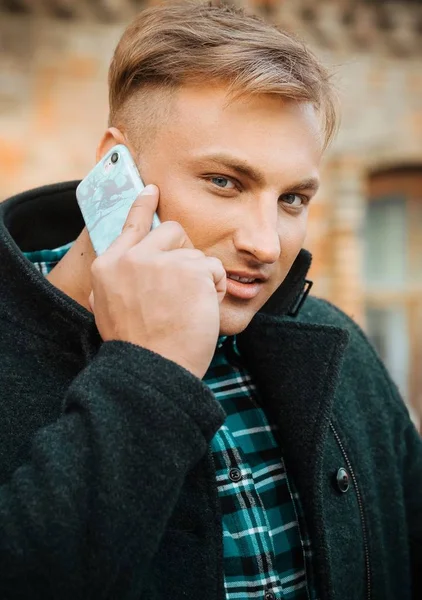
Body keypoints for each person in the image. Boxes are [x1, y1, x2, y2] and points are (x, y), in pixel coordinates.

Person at [0, 2, 420, 599]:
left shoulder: (339, 348)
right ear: (114, 167)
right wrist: (151, 375)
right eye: (226, 183)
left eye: (293, 199)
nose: (265, 243)